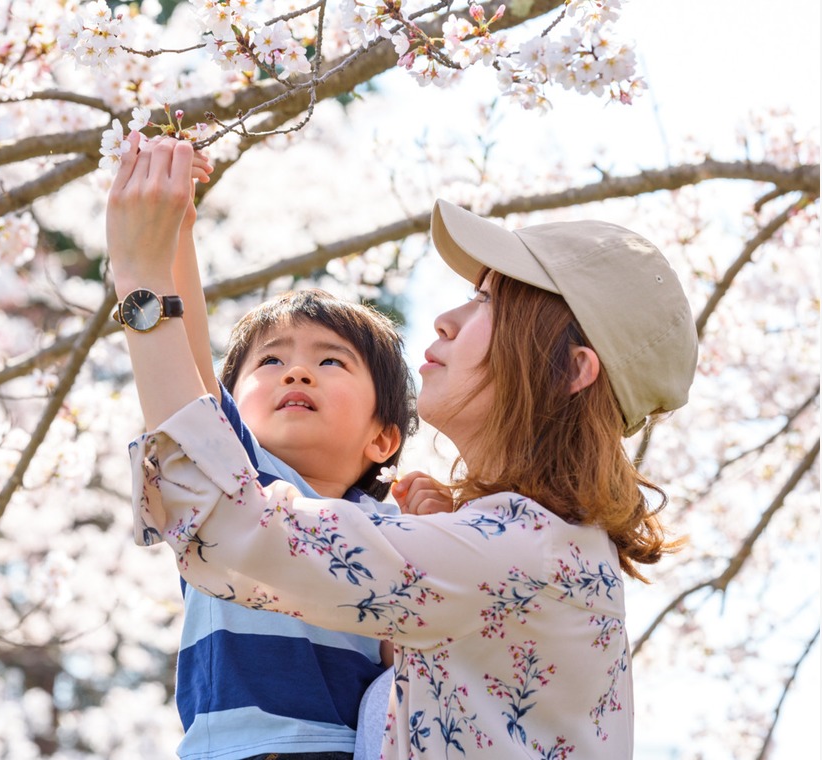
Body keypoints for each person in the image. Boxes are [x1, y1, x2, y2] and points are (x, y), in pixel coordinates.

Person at [106, 137, 698, 758]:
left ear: (571, 370)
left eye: (489, 301)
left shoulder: (517, 553)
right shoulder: (515, 547)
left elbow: (231, 525)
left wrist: (143, 283)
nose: (446, 318)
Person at [119, 136, 422, 760]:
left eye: (331, 360)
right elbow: (189, 358)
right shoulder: (239, 483)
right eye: (272, 360)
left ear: (382, 437)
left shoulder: (393, 531)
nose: (296, 373)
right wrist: (175, 230)